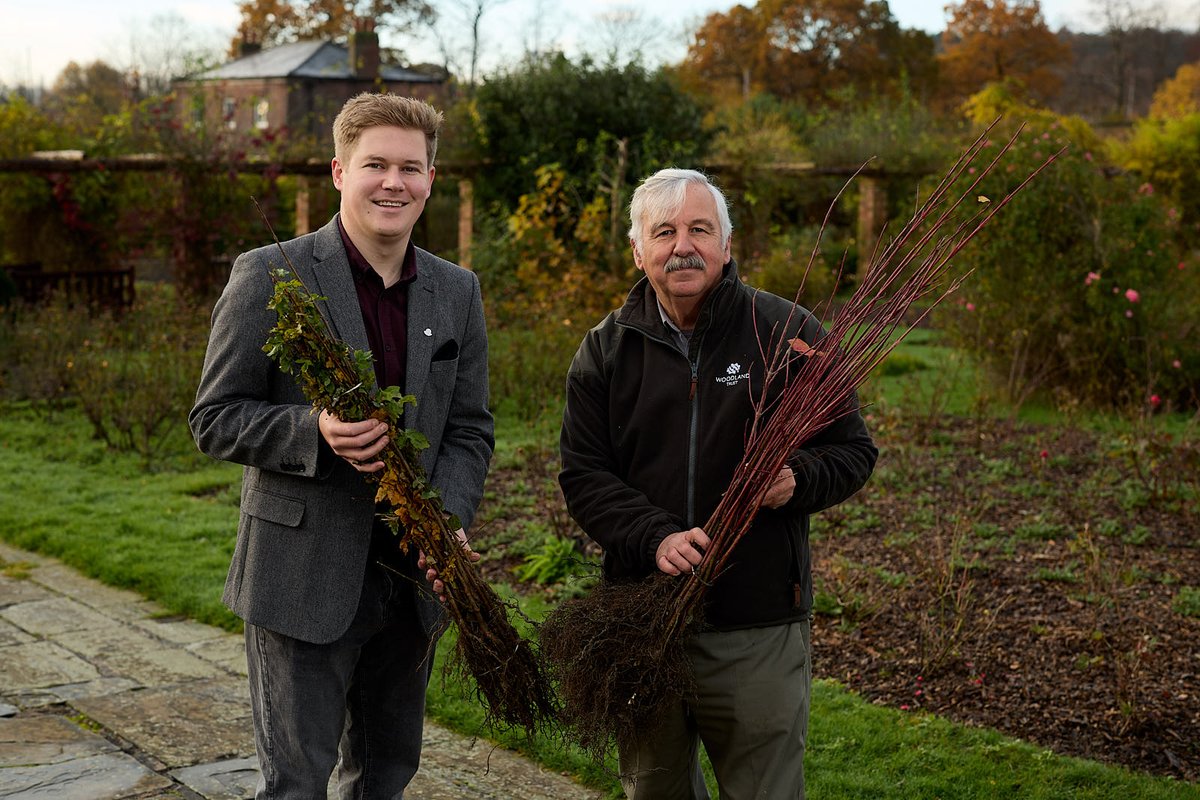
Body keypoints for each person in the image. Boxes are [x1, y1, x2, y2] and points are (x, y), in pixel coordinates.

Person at [189, 93, 493, 799]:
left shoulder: (457, 290)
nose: (393, 182)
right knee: (296, 785)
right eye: (375, 164)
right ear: (338, 171)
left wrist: (445, 518)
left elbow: (470, 427)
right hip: (300, 579)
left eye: (410, 168)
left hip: (411, 583)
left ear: (430, 180)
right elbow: (214, 417)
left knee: (385, 778)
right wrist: (314, 432)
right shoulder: (271, 274)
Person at [558, 168, 878, 799]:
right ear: (638, 250)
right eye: (664, 232)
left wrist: (796, 479)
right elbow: (585, 475)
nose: (683, 246)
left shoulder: (787, 334)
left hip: (757, 625)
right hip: (644, 623)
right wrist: (655, 537)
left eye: (700, 230)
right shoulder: (606, 350)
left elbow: (853, 451)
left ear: (726, 245)